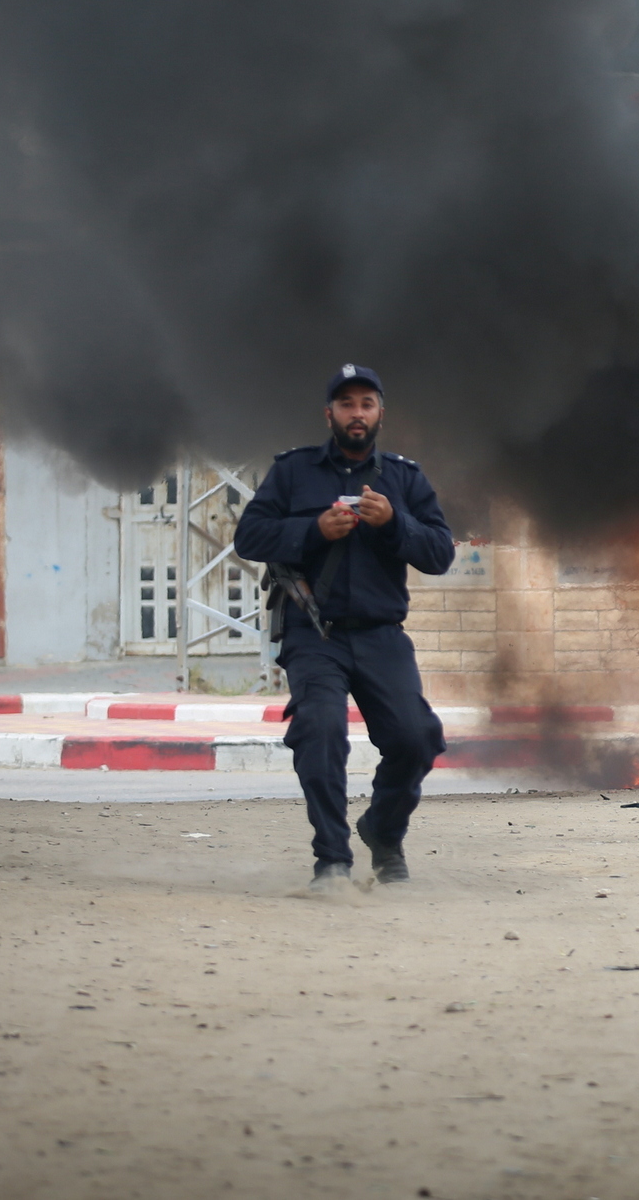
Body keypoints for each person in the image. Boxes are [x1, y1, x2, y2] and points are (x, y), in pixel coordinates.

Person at [234, 364, 455, 891]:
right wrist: (312, 529)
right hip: (315, 632)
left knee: (417, 737)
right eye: (346, 403)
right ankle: (331, 860)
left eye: (367, 403)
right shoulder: (293, 472)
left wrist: (393, 523)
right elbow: (250, 536)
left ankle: (382, 832)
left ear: (380, 412)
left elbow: (440, 553)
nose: (357, 413)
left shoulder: (404, 479)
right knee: (321, 731)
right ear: (328, 413)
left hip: (381, 634)